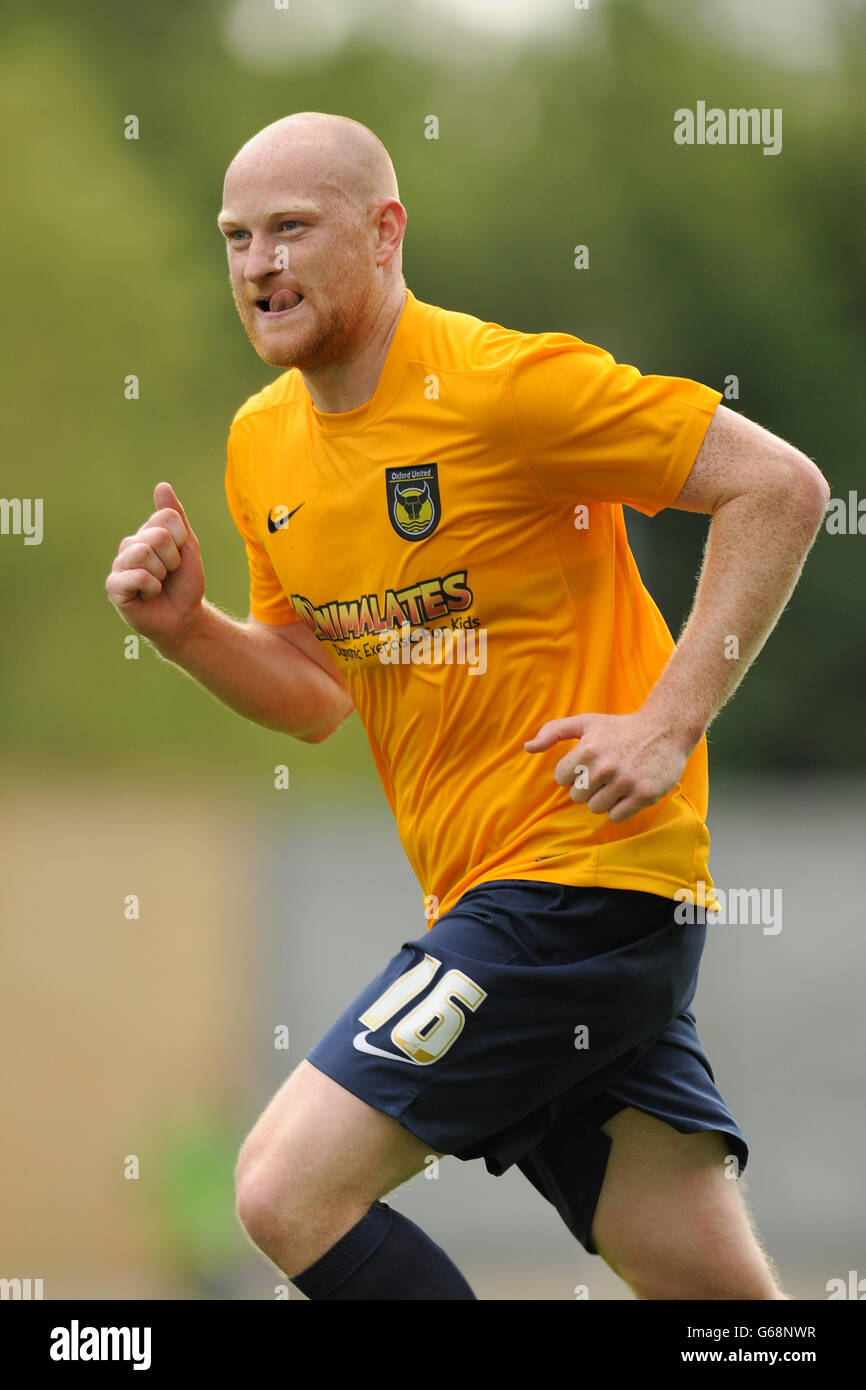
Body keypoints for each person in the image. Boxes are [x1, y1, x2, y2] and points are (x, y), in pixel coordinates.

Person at [105, 112, 829, 1300]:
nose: (256, 265)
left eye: (291, 229)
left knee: (285, 1190)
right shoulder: (260, 444)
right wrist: (188, 633)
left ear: (385, 232)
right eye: (235, 238)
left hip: (573, 888)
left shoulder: (507, 385)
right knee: (722, 1307)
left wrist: (666, 719)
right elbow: (313, 694)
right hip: (519, 903)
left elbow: (777, 487)